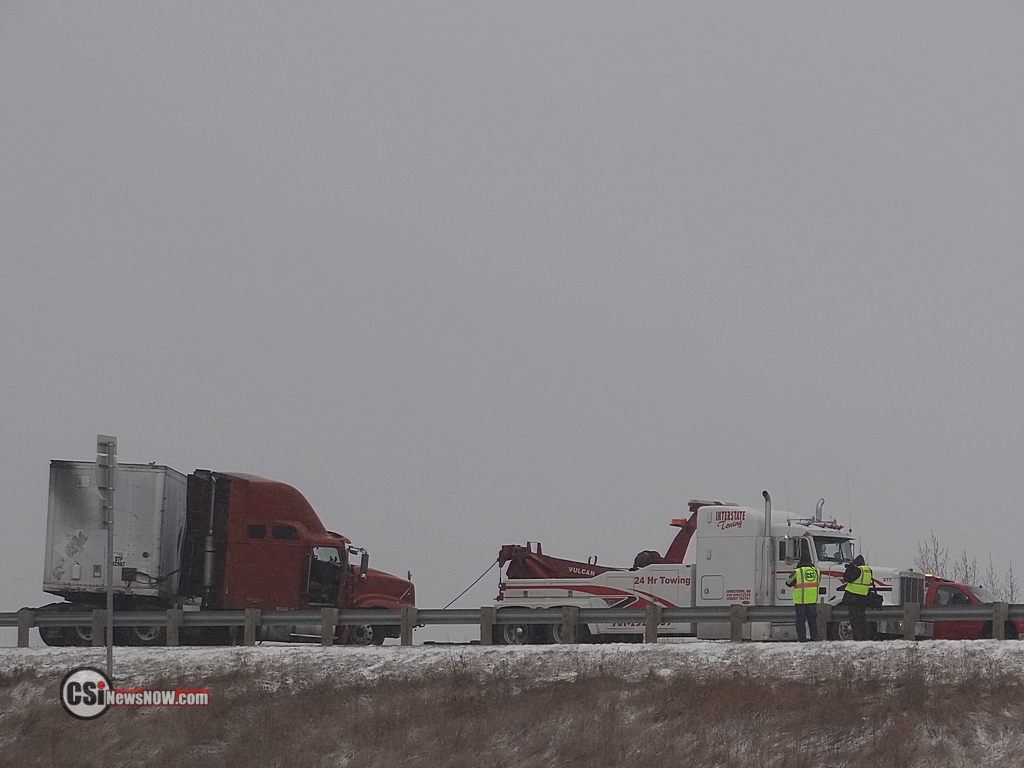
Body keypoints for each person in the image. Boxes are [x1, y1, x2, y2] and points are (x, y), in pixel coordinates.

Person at [786, 550, 820, 642]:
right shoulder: (816, 571)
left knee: (800, 621)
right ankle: (815, 637)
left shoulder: (798, 571)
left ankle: (802, 638)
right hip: (812, 601)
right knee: (812, 621)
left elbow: (788, 582)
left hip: (800, 601)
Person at [842, 554, 873, 640]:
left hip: (853, 597)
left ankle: (857, 636)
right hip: (863, 597)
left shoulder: (857, 570)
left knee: (854, 619)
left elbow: (847, 578)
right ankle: (863, 635)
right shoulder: (868, 570)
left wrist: (850, 568)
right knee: (862, 618)